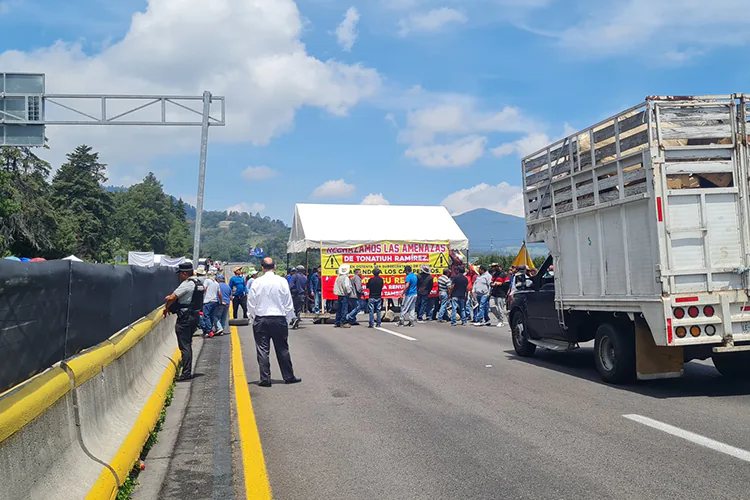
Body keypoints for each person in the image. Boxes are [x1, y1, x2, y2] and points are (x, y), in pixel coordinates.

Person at [247, 257, 302, 387]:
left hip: (261, 318)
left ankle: (265, 378)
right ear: (275, 267)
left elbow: (251, 303)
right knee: (282, 349)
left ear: (262, 268)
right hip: (279, 318)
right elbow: (288, 302)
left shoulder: (256, 282)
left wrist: (253, 318)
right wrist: (287, 319)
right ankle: (288, 376)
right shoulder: (282, 281)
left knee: (262, 350)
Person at [163, 262, 205, 381]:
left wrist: (166, 308)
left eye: (180, 274)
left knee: (185, 346)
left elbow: (172, 297)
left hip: (185, 317)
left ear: (184, 273)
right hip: (195, 316)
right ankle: (187, 370)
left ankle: (186, 373)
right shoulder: (199, 283)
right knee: (188, 344)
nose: (179, 276)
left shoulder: (187, 284)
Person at [201, 271, 221, 337]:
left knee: (206, 316)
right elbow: (219, 294)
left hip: (207, 301)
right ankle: (210, 329)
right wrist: (221, 301)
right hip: (215, 301)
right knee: (211, 316)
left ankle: (209, 331)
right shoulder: (216, 283)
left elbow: (204, 289)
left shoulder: (207, 281)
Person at [490, 264, 508, 328]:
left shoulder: (504, 275)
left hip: (501, 293)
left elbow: (507, 284)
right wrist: (492, 284)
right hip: (494, 293)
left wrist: (500, 284)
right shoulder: (494, 275)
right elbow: (491, 282)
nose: (494, 268)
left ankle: (501, 321)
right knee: (491, 306)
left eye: (495, 267)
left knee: (500, 308)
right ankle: (499, 317)